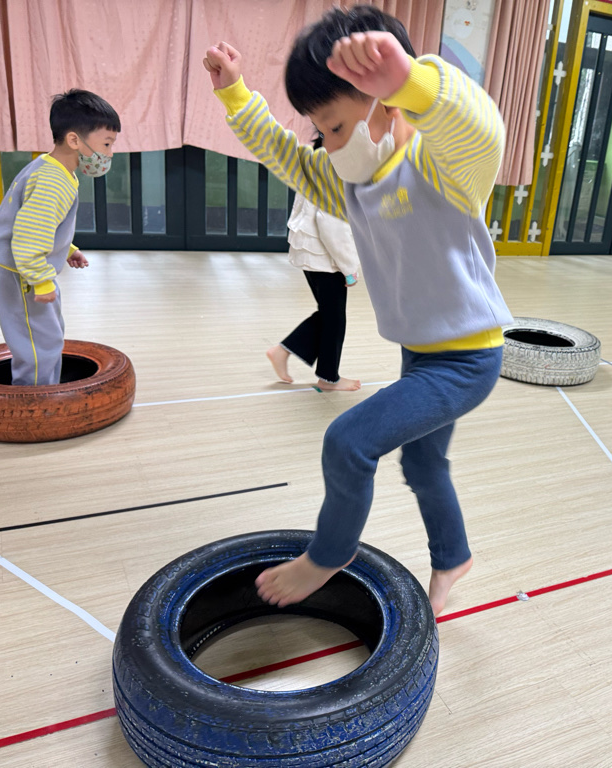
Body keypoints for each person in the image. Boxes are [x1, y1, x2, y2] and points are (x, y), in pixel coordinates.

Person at [204, 5, 513, 615]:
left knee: (348, 441)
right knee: (423, 464)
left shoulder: (443, 168)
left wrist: (410, 81)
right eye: (322, 130)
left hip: (467, 361)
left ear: (387, 107)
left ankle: (330, 553)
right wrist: (235, 94)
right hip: (420, 354)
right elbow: (284, 155)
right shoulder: (352, 183)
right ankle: (454, 557)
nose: (328, 144)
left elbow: (482, 130)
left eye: (338, 126)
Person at [0, 90, 119, 386]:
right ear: (74, 140)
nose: (108, 154)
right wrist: (40, 280)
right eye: (107, 144)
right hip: (21, 270)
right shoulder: (52, 182)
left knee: (48, 333)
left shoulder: (51, 167)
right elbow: (28, 239)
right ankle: (33, 402)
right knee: (36, 343)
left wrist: (66, 249)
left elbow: (38, 224)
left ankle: (45, 388)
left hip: (23, 267)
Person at [266, 137, 362, 391]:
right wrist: (349, 269)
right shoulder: (336, 173)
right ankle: (328, 378)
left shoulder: (315, 166)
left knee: (329, 314)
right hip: (325, 258)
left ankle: (284, 352)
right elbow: (332, 226)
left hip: (312, 255)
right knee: (334, 319)